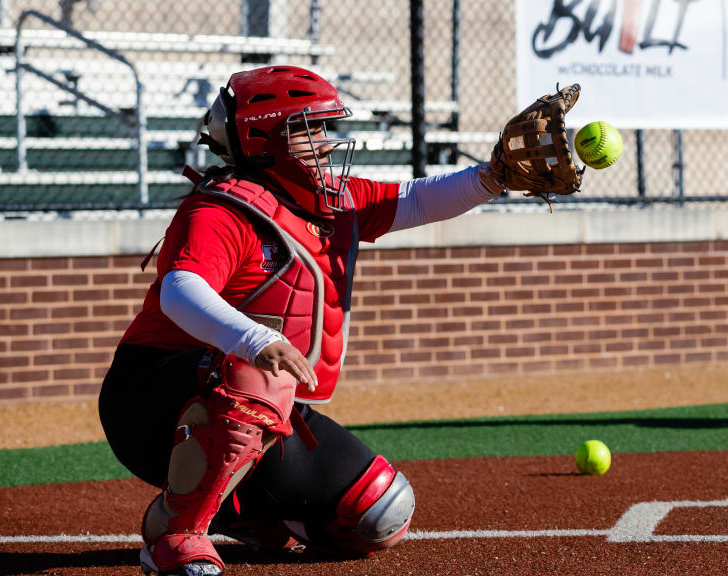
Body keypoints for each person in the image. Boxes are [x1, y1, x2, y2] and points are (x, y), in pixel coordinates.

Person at [98, 65, 508, 576]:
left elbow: (417, 199)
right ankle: (175, 533)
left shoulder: (326, 201)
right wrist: (253, 338)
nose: (324, 141)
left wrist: (495, 177)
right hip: (152, 398)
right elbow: (181, 292)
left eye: (322, 127)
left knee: (377, 514)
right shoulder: (221, 210)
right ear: (261, 137)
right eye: (306, 129)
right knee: (259, 374)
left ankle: (242, 512)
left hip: (249, 403)